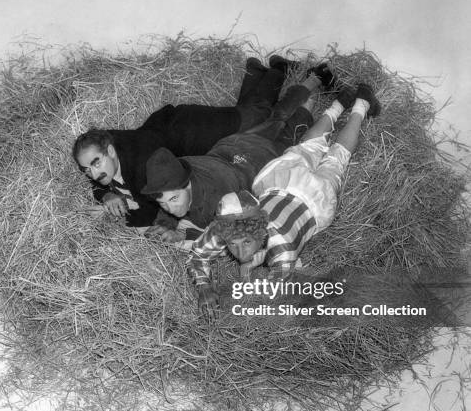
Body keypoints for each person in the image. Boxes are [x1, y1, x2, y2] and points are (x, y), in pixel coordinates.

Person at [186, 84, 381, 318]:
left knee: (333, 158)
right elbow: (197, 254)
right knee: (312, 149)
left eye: (246, 242)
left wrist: (246, 269)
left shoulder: (283, 250)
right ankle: (346, 104)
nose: (239, 251)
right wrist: (205, 287)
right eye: (233, 244)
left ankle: (358, 104)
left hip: (313, 201)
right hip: (280, 185)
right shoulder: (225, 227)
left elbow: (269, 295)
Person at [72, 56, 323, 228]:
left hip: (196, 130)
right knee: (249, 113)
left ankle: (280, 68)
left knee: (259, 114)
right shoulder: (109, 149)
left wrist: (114, 210)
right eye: (87, 169)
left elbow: (148, 212)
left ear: (111, 151)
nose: (93, 173)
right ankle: (256, 72)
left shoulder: (143, 167)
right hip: (176, 128)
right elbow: (98, 181)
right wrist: (105, 196)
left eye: (96, 163)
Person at [140, 67, 335, 242]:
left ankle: (315, 94)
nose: (170, 208)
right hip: (234, 144)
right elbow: (168, 192)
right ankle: (315, 77)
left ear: (187, 183)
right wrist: (165, 222)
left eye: (173, 200)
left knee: (292, 132)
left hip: (261, 158)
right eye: (162, 203)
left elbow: (228, 233)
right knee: (278, 115)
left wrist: (183, 234)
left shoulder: (213, 201)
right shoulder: (178, 168)